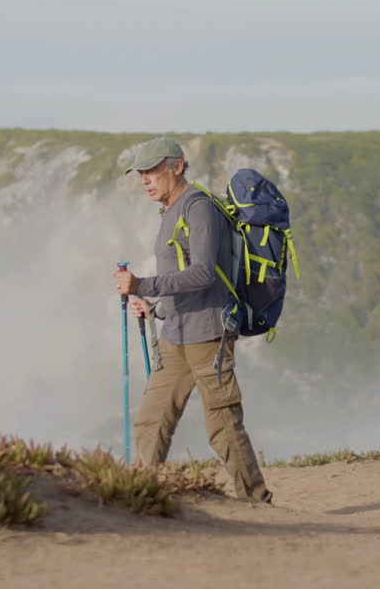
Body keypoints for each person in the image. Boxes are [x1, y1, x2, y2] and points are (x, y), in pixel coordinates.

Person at [113, 136, 273, 504]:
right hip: (176, 334)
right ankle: (138, 495)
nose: (146, 180)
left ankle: (256, 501)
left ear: (177, 167)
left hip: (208, 335)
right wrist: (155, 307)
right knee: (152, 419)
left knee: (223, 425)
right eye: (142, 175)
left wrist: (143, 284)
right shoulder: (169, 209)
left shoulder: (198, 208)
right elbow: (184, 278)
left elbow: (203, 274)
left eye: (153, 171)